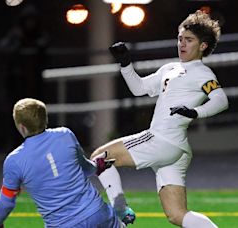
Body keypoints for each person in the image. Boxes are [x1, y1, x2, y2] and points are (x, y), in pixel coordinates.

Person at [90, 10, 228, 228]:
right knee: (177, 215)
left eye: (189, 40)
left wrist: (195, 112)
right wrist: (125, 64)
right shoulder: (171, 68)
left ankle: (119, 208)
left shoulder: (203, 73)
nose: (182, 44)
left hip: (162, 140)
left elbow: (221, 100)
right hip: (176, 149)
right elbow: (139, 88)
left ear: (203, 46)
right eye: (180, 39)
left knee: (100, 157)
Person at [0, 98, 123, 228]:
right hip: (99, 214)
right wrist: (97, 167)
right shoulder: (66, 135)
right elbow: (87, 168)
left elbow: (6, 203)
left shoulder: (14, 161)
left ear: (21, 127)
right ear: (45, 118)